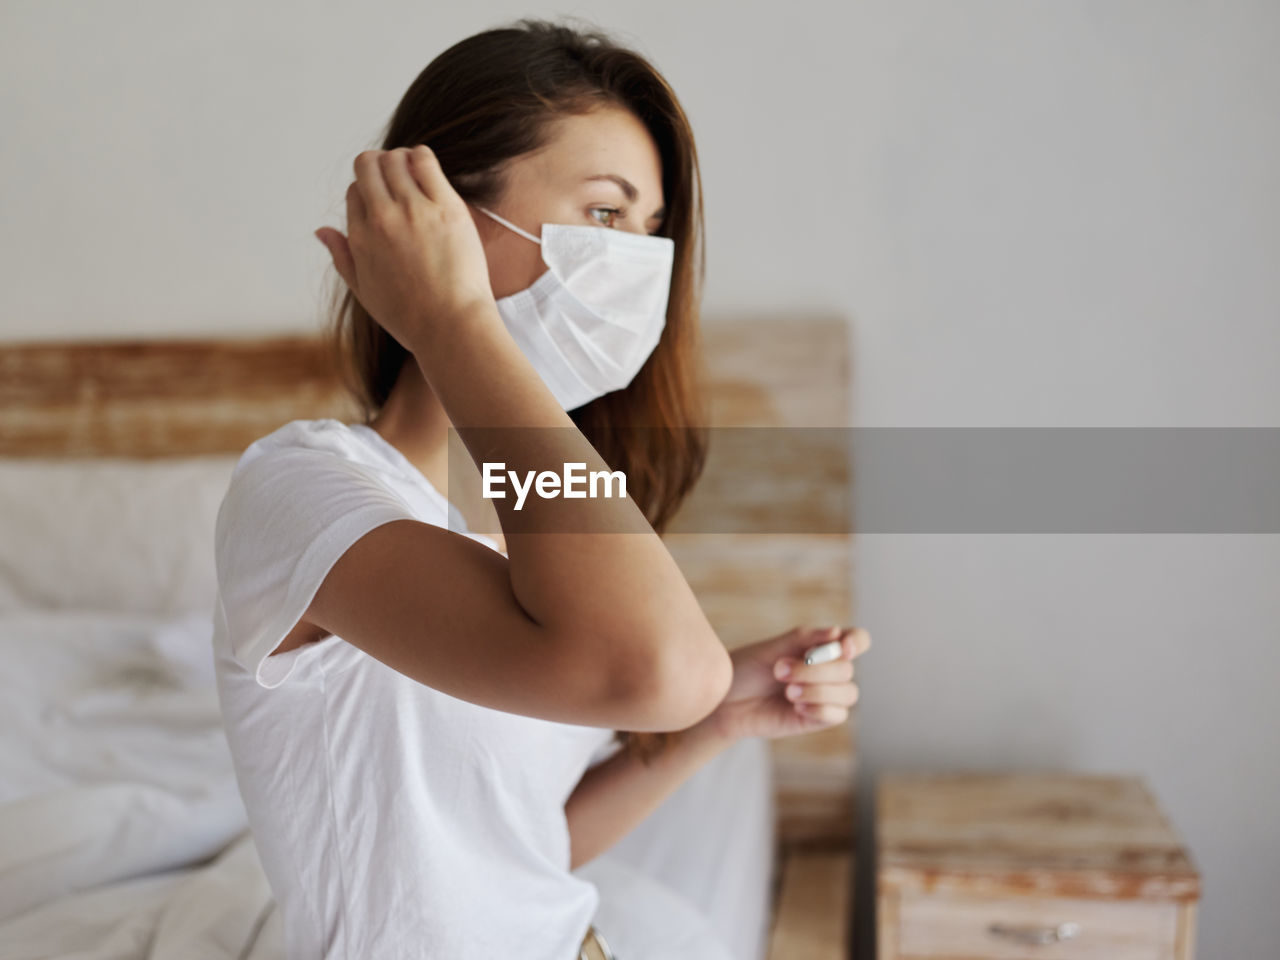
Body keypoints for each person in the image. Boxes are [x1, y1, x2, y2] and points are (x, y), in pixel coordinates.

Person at [211, 16, 869, 960]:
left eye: (650, 232)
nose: (636, 264)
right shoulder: (302, 489)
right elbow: (662, 669)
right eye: (605, 214)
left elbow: (512, 851)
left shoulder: (510, 518)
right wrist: (448, 317)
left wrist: (714, 724)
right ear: (439, 214)